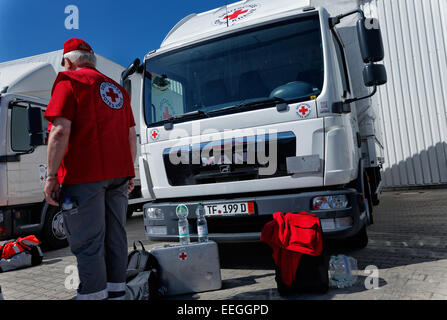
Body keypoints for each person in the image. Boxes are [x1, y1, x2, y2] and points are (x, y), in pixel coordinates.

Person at [43, 38, 137, 300]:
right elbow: (132, 135)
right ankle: (117, 291)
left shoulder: (68, 82)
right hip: (118, 175)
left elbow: (60, 131)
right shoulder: (118, 90)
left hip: (83, 176)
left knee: (88, 240)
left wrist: (51, 176)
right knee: (115, 234)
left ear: (68, 61)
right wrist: (130, 171)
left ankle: (93, 295)